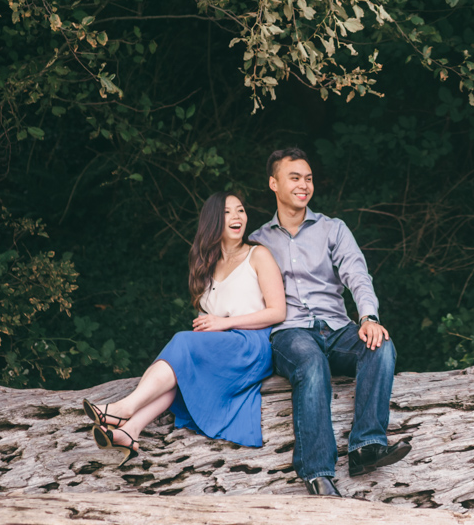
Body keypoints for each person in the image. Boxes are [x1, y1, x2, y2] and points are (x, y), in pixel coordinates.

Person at [248, 147, 410, 496]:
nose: (304, 185)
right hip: (290, 333)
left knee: (379, 345)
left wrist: (368, 317)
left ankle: (366, 446)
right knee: (311, 362)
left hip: (336, 327)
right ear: (273, 183)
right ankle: (317, 471)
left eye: (308, 178)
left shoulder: (333, 229)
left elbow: (357, 273)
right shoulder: (258, 241)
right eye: (295, 178)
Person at [81, 191, 286, 464]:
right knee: (181, 370)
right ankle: (129, 431)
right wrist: (210, 327)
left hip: (251, 347)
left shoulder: (258, 255)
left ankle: (125, 407)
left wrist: (224, 323)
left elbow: (277, 311)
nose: (237, 217)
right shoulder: (207, 267)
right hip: (223, 346)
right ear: (213, 220)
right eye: (227, 212)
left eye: (240, 210)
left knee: (181, 344)